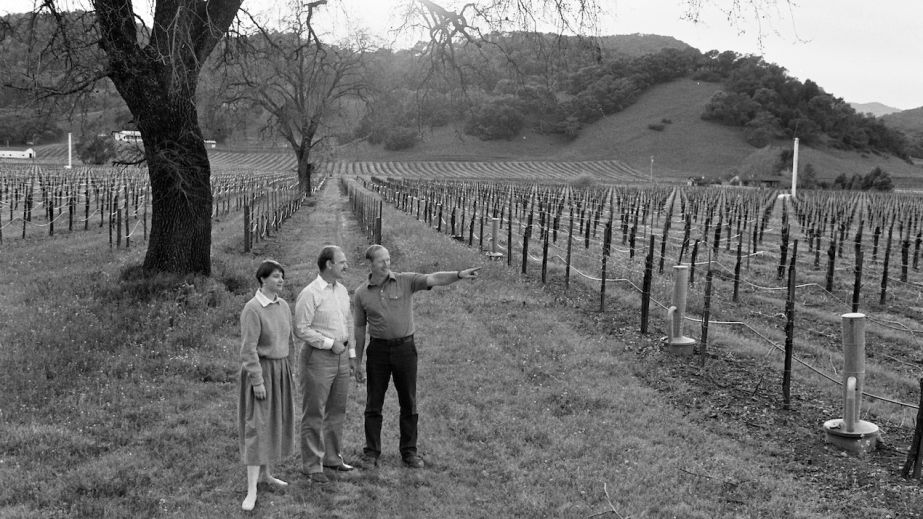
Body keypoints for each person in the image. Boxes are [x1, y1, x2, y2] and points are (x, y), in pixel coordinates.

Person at [353, 244, 480, 469]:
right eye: (381, 261)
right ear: (370, 264)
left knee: (408, 402)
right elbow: (360, 328)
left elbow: (434, 278)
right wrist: (357, 360)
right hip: (378, 351)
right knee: (374, 404)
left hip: (405, 350)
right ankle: (371, 453)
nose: (387, 264)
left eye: (388, 259)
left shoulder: (405, 280)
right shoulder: (361, 293)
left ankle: (409, 452)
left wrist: (459, 275)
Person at [294, 245, 355, 483]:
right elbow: (301, 329)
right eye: (342, 262)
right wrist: (330, 343)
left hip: (341, 357)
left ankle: (332, 457)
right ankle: (311, 465)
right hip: (318, 358)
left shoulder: (342, 291)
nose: (346, 266)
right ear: (329, 264)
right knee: (314, 411)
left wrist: (351, 354)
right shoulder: (310, 293)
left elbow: (348, 322)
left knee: (337, 410)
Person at [238, 260, 296, 511]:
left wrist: (290, 370)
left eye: (282, 276)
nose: (280, 280)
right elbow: (248, 350)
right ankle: (251, 489)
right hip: (261, 371)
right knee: (257, 426)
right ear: (262, 279)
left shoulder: (283, 306)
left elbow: (290, 341)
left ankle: (267, 474)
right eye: (275, 276)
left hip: (280, 371)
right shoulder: (252, 309)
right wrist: (257, 381)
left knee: (272, 423)